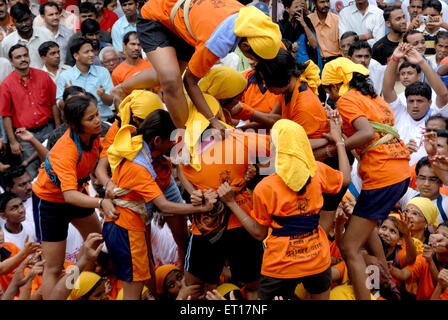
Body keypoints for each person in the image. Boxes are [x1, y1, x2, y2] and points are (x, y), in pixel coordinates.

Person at [217, 117, 351, 300]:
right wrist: (340, 142)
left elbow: (259, 233)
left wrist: (231, 203)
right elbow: (346, 179)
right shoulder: (317, 171)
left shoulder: (265, 188)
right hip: (317, 259)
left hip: (280, 265)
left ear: (275, 150)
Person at [113, 1, 281, 133]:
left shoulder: (257, 26)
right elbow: (190, 82)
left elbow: (278, 49)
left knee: (168, 74)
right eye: (253, 58)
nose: (253, 62)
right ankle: (182, 137)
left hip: (186, 26)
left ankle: (121, 88)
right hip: (157, 17)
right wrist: (212, 120)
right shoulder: (216, 42)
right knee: (172, 80)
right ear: (244, 47)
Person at [321, 57, 411, 300]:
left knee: (349, 246)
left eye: (329, 90)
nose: (331, 95)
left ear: (335, 86)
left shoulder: (347, 98)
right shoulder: (374, 97)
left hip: (383, 174)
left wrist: (333, 147)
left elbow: (366, 133)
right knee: (364, 223)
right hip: (399, 172)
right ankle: (387, 284)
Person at [103, 109, 216, 300]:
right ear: (156, 141)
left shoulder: (133, 146)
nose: (173, 144)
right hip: (126, 229)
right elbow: (164, 206)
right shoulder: (139, 167)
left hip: (122, 226)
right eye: (170, 141)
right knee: (133, 292)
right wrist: (201, 208)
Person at [31, 95, 117, 300]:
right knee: (54, 266)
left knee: (96, 242)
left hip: (78, 191)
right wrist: (100, 202)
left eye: (97, 114)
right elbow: (68, 195)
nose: (97, 120)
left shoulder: (96, 133)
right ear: (76, 125)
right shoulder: (65, 150)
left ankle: (82, 290)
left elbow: (107, 148)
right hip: (51, 201)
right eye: (90, 118)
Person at [0, 44, 61, 179]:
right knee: (32, 174)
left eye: (25, 55)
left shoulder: (43, 76)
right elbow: (6, 115)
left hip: (48, 130)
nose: (23, 59)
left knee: (55, 168)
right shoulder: (6, 84)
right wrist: (13, 142)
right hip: (24, 137)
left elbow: (53, 104)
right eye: (18, 57)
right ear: (11, 61)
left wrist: (57, 128)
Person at [382, 43, 448, 165]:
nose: (415, 105)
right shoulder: (400, 112)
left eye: (420, 101)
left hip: (429, 177)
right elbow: (387, 90)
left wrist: (421, 62)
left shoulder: (436, 117)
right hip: (400, 174)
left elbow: (444, 95)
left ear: (430, 102)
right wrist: (395, 58)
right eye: (411, 101)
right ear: (406, 101)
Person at [57, 38, 115, 122]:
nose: (92, 54)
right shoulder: (65, 76)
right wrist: (69, 98)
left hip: (103, 120)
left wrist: (102, 95)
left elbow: (110, 102)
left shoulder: (103, 72)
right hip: (78, 123)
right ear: (76, 56)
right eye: (86, 52)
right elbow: (60, 105)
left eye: (92, 51)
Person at [0, 3, 55, 69]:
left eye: (26, 20)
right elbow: (5, 67)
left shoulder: (47, 35)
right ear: (13, 22)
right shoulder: (7, 43)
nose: (24, 24)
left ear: (31, 17)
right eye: (19, 22)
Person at [399, 156, 448, 226]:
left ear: (441, 182)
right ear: (416, 180)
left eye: (432, 179)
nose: (426, 184)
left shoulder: (446, 205)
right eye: (422, 178)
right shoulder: (407, 195)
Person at [308, 0, 342, 66]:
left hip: (336, 62)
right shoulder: (309, 20)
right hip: (316, 63)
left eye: (327, 1)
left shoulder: (337, 20)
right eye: (322, 2)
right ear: (315, 4)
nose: (326, 5)